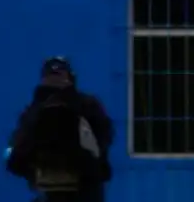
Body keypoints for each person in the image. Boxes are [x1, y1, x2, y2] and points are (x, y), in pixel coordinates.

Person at [6, 57, 114, 202]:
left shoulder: (34, 112)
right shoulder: (88, 106)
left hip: (53, 191)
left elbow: (15, 158)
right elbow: (104, 144)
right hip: (85, 190)